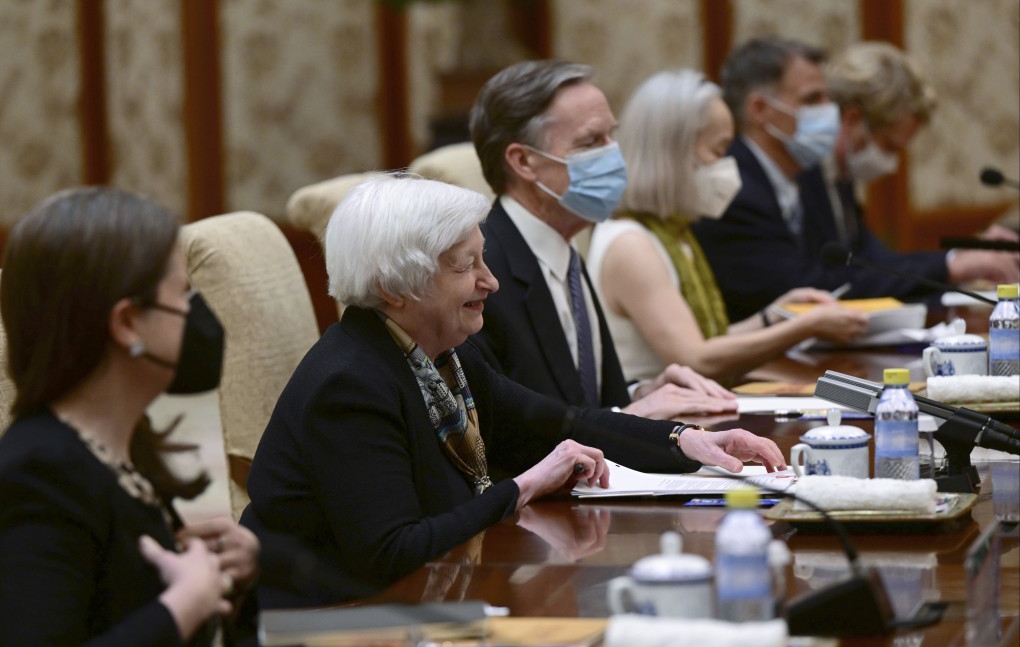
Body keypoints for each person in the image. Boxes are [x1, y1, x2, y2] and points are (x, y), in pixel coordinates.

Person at [240, 175, 785, 607]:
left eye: (484, 259)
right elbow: (392, 551)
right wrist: (521, 487)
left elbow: (559, 423)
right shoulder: (350, 384)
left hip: (426, 598)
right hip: (334, 622)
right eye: (466, 266)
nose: (490, 281)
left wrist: (685, 441)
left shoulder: (445, 355)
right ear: (394, 287)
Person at [0, 188, 259, 647]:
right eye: (183, 294)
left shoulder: (122, 445)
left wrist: (227, 575)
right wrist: (184, 604)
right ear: (127, 324)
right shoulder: (38, 474)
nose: (194, 314)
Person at [468, 59, 737, 418]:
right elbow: (503, 427)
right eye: (592, 141)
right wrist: (627, 419)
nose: (614, 154)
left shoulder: (565, 249)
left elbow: (580, 400)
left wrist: (642, 392)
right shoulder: (482, 270)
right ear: (524, 162)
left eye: (612, 136)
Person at [692, 36, 1019, 322]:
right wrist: (952, 265)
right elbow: (809, 287)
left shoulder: (794, 175)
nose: (829, 111)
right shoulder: (736, 189)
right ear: (761, 110)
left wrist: (956, 263)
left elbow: (873, 264)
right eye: (813, 99)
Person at [586, 70, 869, 382]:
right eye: (718, 151)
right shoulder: (631, 244)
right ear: (673, 154)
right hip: (652, 421)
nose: (727, 166)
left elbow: (704, 339)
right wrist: (805, 326)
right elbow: (695, 359)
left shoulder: (674, 234)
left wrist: (773, 315)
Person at [825, 41, 1019, 264]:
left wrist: (962, 256)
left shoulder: (841, 182)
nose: (892, 164)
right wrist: (954, 265)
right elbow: (841, 277)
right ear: (852, 119)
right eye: (890, 146)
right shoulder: (806, 179)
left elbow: (878, 264)